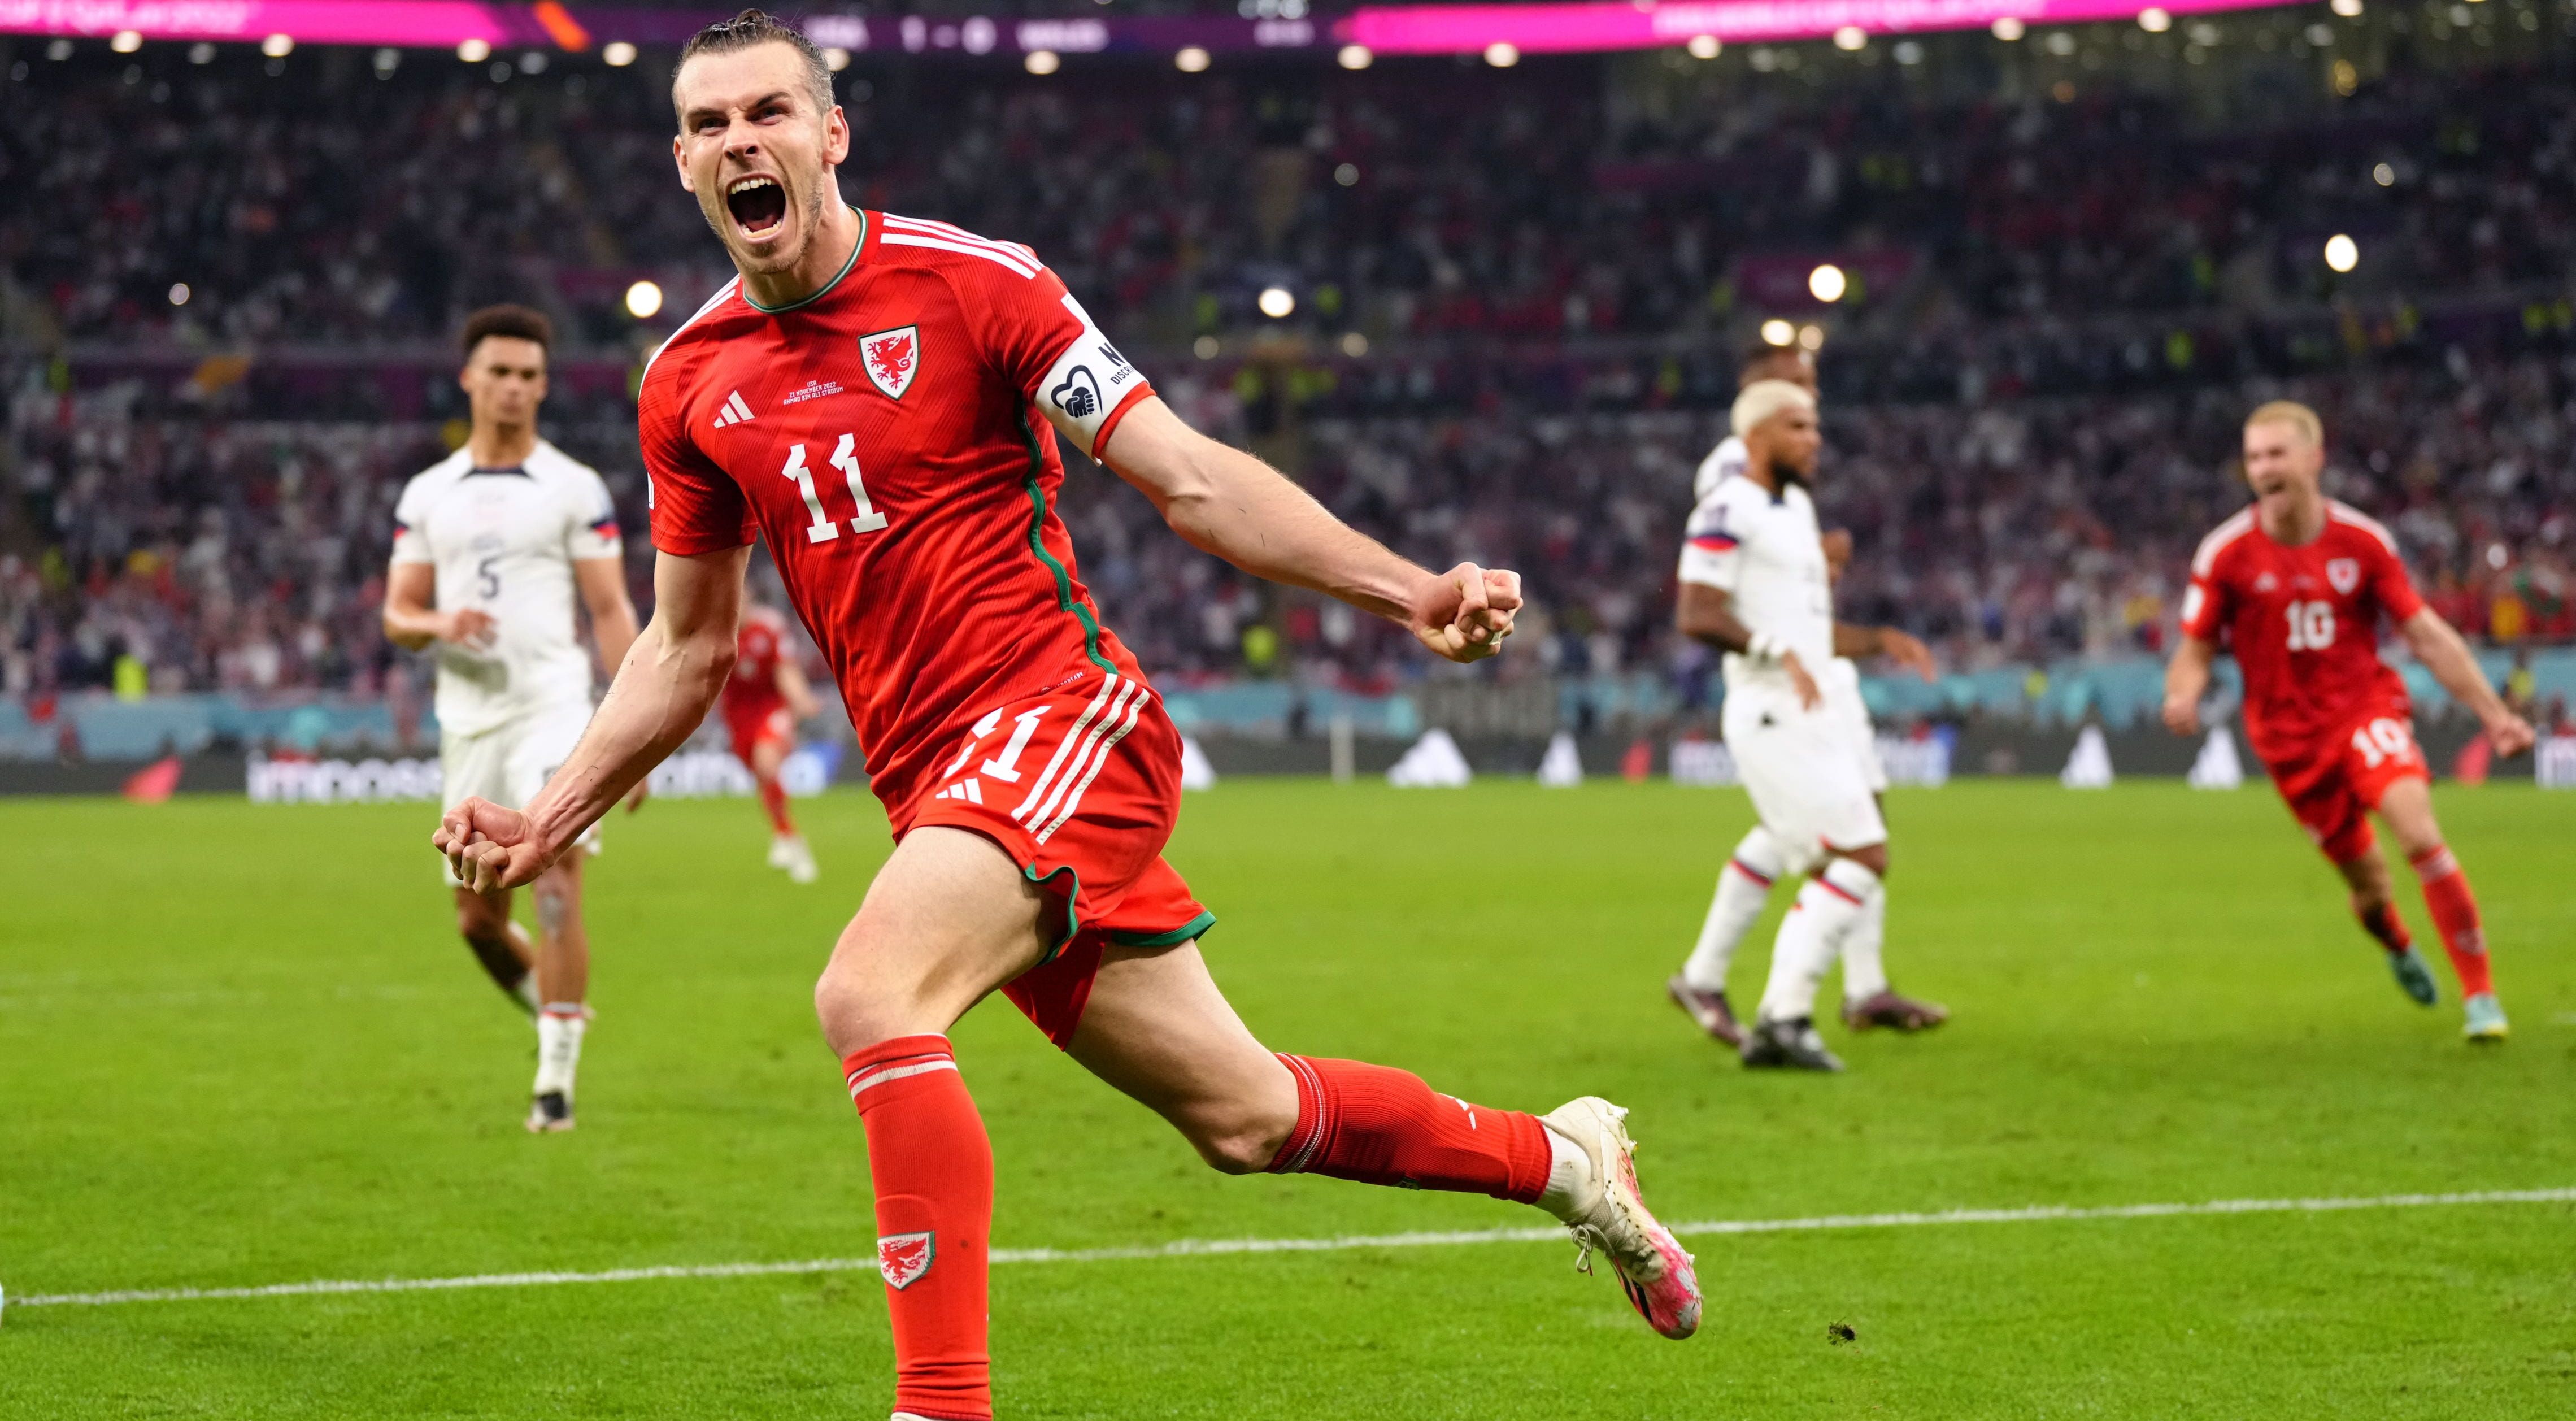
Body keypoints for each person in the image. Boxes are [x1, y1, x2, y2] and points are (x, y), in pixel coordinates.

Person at [436, 14, 1702, 1419]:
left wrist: (1405, 588)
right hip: (938, 789)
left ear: (830, 134)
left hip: (1061, 714)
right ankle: (1568, 1163)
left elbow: (1190, 477)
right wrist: (545, 818)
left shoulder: (981, 287)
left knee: (869, 992)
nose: (744, 140)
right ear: (681, 161)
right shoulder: (689, 381)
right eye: (712, 123)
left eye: (771, 112)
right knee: (1245, 1117)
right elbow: (683, 649)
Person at [2163, 402, 2533, 1042]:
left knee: (2418, 831)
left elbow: (2425, 634)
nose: (2263, 468)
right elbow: (2195, 646)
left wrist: (2495, 715)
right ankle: (2394, 940)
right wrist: (2183, 694)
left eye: (2276, 454)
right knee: (2369, 886)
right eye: (2253, 457)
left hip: (2363, 712)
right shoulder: (2225, 553)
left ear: (2314, 458)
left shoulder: (2363, 542)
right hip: (2287, 743)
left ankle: (2481, 997)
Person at [383, 304, 645, 1132]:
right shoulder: (430, 494)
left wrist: (635, 735)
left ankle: (554, 1084)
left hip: (554, 708)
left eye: (531, 375)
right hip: (470, 721)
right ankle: (556, 1012)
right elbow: (399, 612)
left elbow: (609, 609)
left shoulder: (574, 486)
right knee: (478, 919)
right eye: (500, 372)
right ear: (469, 379)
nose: (516, 388)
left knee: (556, 873)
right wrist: (438, 626)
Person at [1667, 353, 1946, 1046]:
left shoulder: (1793, 493)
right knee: (1841, 842)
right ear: (1757, 403)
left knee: (1841, 825)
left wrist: (1847, 604)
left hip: (1818, 680)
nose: (1811, 403)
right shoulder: (1731, 481)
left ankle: (1853, 987)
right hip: (1774, 694)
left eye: (1813, 389)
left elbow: (1793, 597)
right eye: (1795, 391)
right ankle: (1776, 1004)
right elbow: (1715, 594)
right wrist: (1774, 640)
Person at [725, 595, 822, 881]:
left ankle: (786, 839)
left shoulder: (768, 629)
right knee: (763, 777)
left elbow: (786, 668)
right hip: (738, 718)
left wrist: (801, 699)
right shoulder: (718, 630)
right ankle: (787, 835)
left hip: (772, 708)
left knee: (766, 763)